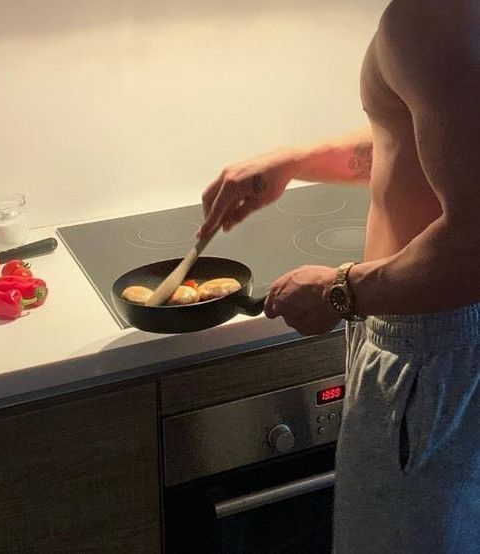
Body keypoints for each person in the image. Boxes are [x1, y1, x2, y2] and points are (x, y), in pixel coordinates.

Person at [198, 1, 480, 552]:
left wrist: (340, 291)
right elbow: (429, 139)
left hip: (432, 356)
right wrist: (299, 158)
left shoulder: (434, 15)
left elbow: (475, 244)